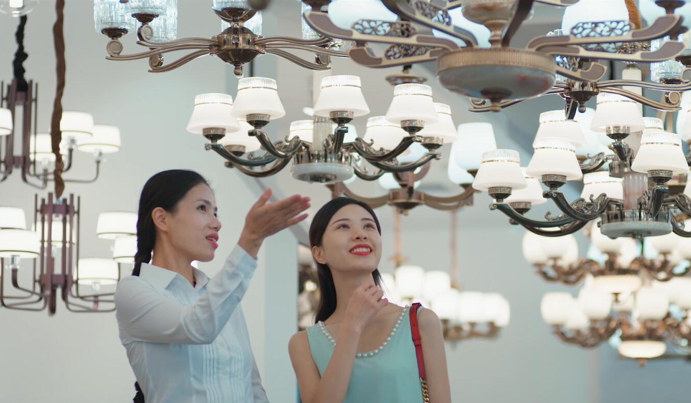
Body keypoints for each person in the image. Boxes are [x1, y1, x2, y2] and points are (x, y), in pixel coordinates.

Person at [114, 169, 310, 403]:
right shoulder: (133, 290)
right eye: (202, 208)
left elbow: (252, 386)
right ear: (162, 219)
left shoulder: (219, 295)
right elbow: (197, 327)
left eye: (215, 212)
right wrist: (250, 241)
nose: (217, 223)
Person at [288, 197, 452, 403]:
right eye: (343, 226)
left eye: (368, 226)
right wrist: (352, 328)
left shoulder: (421, 322)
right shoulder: (303, 343)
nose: (361, 234)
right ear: (319, 253)